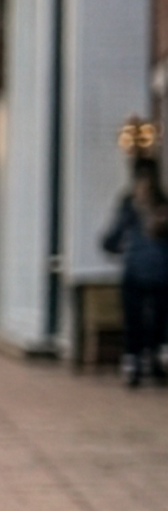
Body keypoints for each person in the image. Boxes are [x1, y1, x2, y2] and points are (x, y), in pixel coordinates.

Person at [102, 154, 168, 387]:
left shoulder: (130, 205)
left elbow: (112, 238)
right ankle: (151, 357)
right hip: (157, 271)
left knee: (137, 318)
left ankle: (137, 360)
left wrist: (113, 246)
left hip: (145, 270)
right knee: (154, 318)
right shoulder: (159, 204)